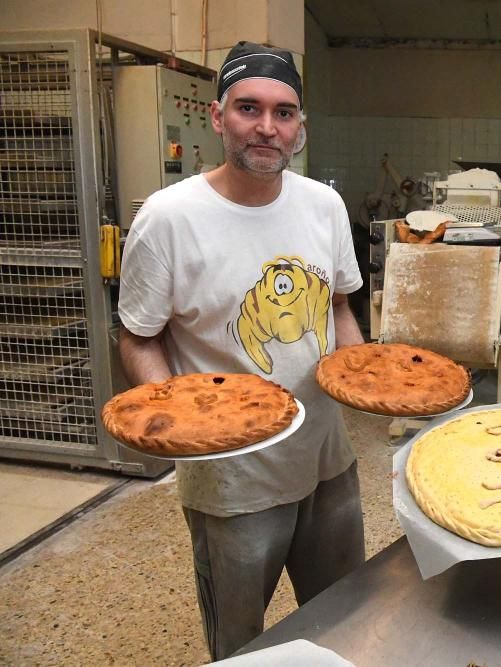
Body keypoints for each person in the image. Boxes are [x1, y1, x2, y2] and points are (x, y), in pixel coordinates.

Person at [116, 42, 365, 659]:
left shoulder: (324, 206)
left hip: (327, 458)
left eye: (284, 113)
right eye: (249, 108)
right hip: (232, 478)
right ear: (217, 115)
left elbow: (338, 306)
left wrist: (369, 379)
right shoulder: (169, 219)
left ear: (300, 125)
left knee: (346, 617)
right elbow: (138, 336)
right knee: (241, 641)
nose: (267, 127)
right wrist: (174, 428)